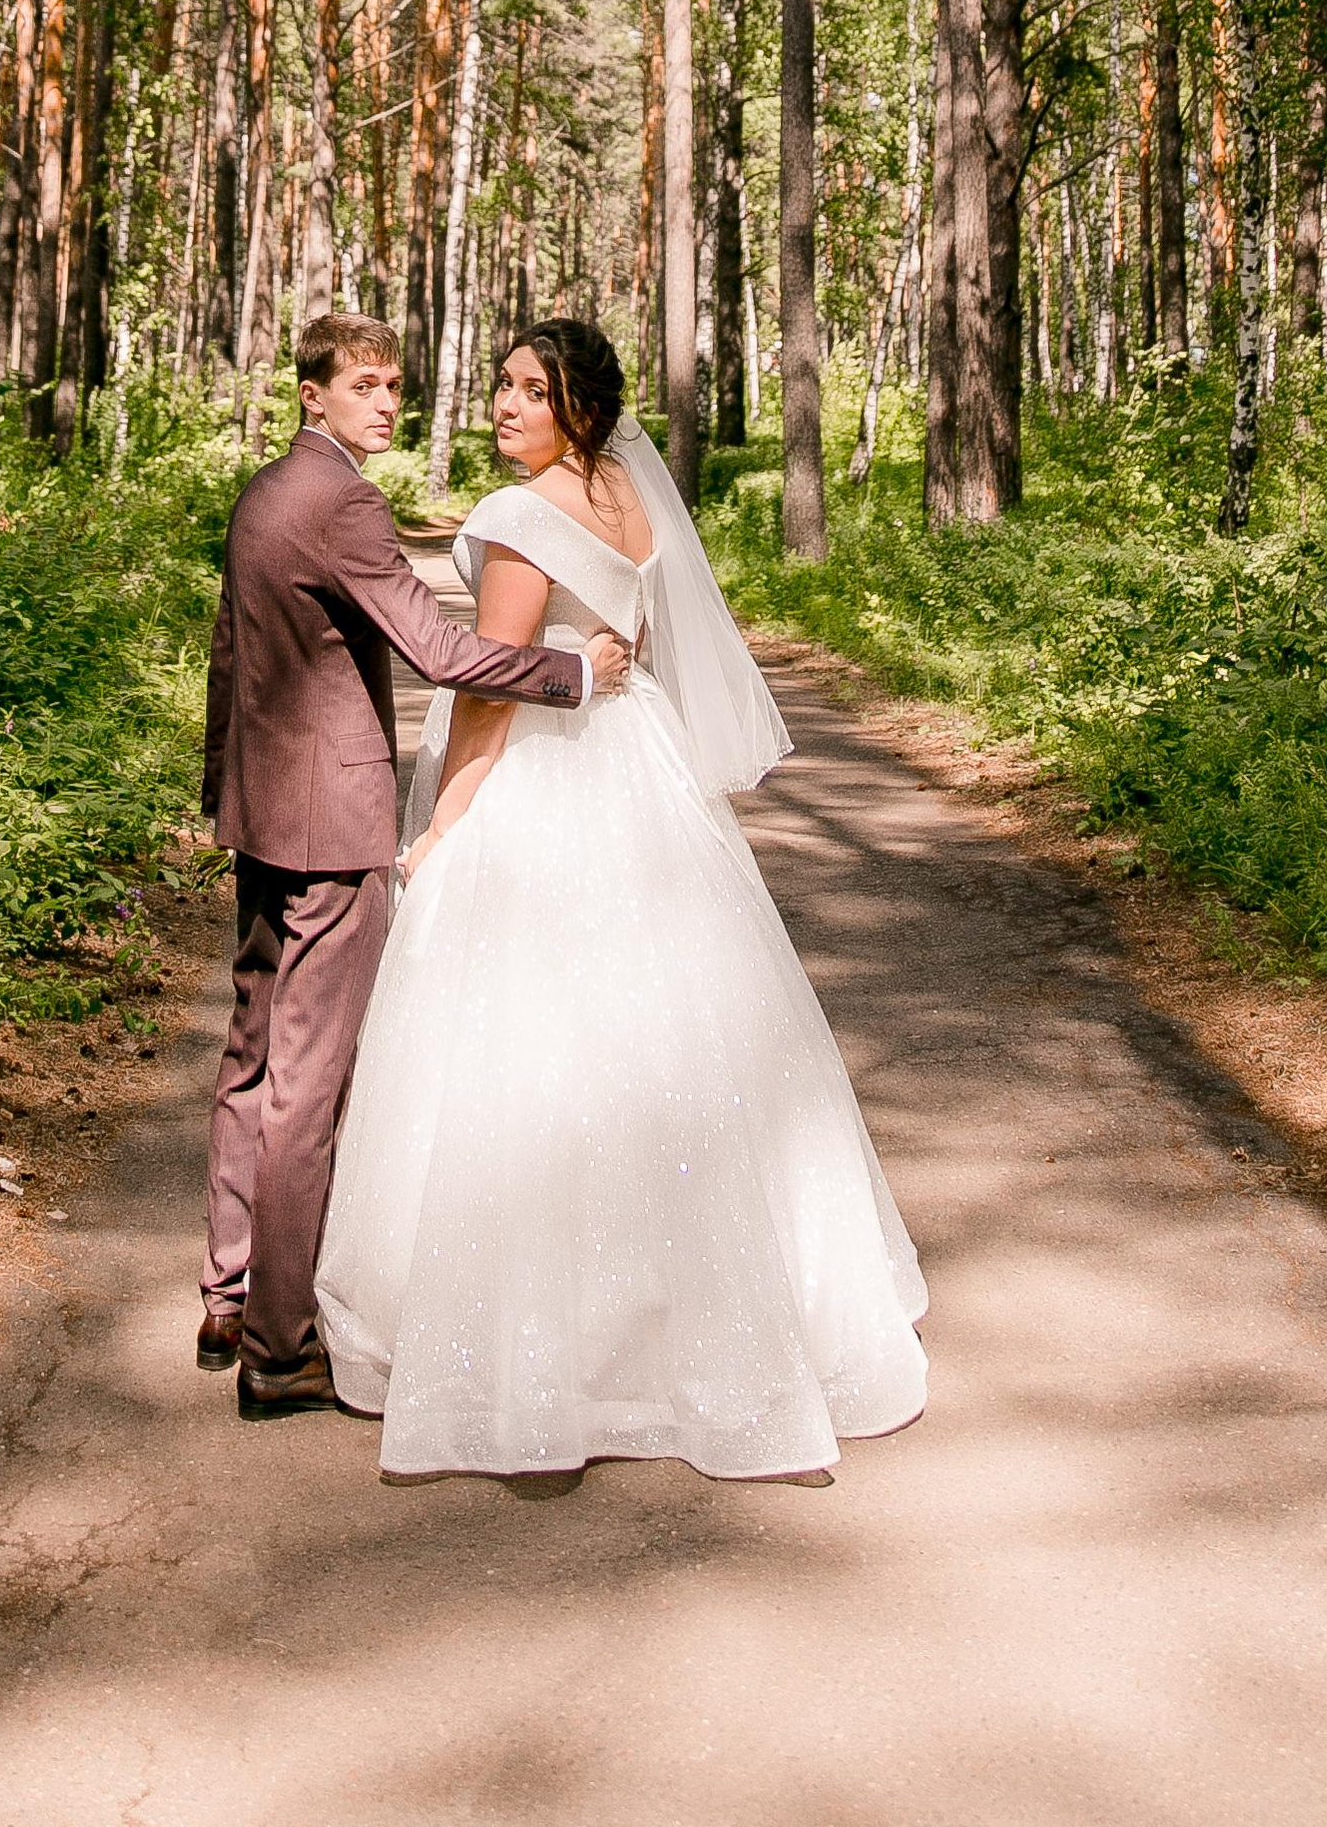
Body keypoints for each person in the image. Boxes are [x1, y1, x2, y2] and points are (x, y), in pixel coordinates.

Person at [316, 317, 929, 1479]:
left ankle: (539, 1348)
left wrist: (444, 824)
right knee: (674, 1036)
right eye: (500, 385)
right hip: (640, 767)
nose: (503, 406)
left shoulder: (515, 518)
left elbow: (491, 696)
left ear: (578, 411)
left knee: (530, 1048)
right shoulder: (630, 502)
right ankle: (684, 1315)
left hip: (544, 778)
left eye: (530, 392)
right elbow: (634, 643)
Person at [199, 309, 635, 1418]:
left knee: (252, 1054)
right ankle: (281, 1348)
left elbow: (226, 664)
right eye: (364, 387)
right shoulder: (342, 499)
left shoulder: (263, 493)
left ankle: (228, 1290)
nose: (387, 403)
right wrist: (572, 673)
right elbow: (439, 650)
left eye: (395, 384)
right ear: (313, 395)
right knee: (310, 1077)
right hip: (329, 823)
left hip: (258, 809)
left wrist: (223, 795)